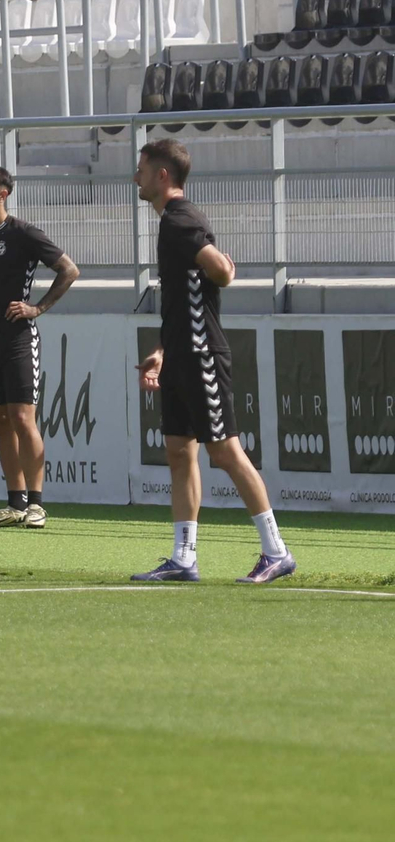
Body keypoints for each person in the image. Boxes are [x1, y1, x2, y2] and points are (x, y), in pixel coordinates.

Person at [130, 139, 295, 583]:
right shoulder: (172, 223)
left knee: (224, 451)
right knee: (179, 453)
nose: (136, 177)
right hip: (182, 354)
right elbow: (187, 296)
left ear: (163, 175)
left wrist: (224, 268)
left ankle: (276, 551)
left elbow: (219, 272)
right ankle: (184, 558)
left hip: (203, 354)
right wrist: (163, 352)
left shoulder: (180, 219)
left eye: (142, 170)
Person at [0, 166, 79, 530]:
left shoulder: (23, 233)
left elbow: (69, 270)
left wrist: (36, 308)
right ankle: (14, 503)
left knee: (24, 418)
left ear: (2, 194)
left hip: (19, 339)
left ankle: (37, 504)